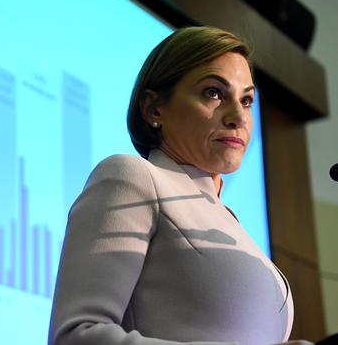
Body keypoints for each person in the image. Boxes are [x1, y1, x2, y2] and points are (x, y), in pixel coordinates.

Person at [48, 26, 310, 345]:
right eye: (214, 92)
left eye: (246, 100)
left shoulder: (231, 223)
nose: (238, 117)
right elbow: (77, 335)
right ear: (154, 108)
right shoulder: (131, 176)